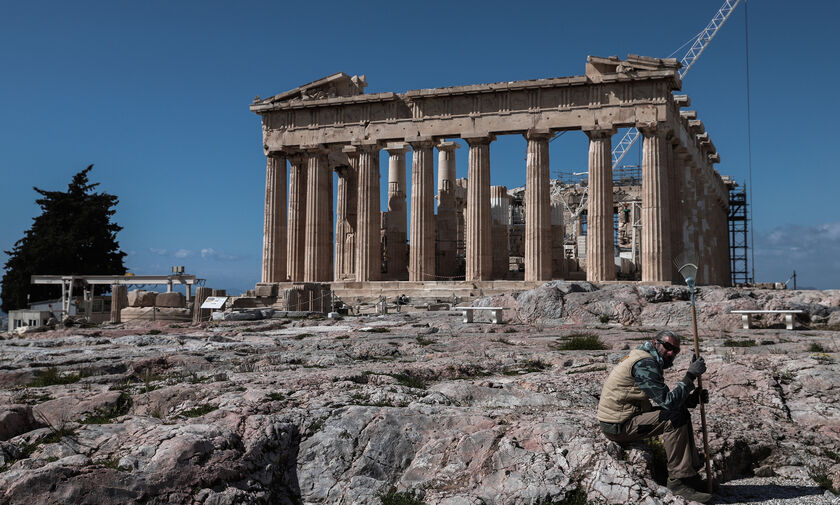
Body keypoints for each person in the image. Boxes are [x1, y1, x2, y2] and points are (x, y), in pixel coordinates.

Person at [596, 330, 712, 503]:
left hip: (627, 417)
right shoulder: (644, 364)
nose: (671, 352)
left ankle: (689, 476)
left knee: (680, 412)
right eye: (668, 346)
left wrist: (692, 398)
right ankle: (677, 482)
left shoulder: (645, 358)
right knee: (674, 418)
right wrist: (690, 376)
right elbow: (668, 402)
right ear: (655, 342)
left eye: (676, 350)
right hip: (619, 426)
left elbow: (665, 400)